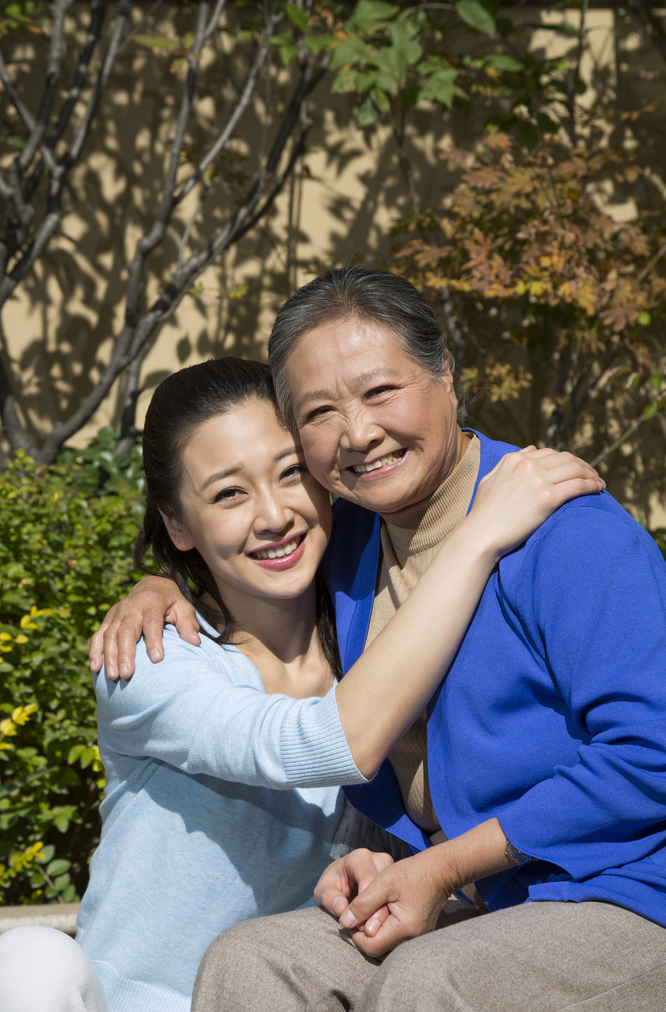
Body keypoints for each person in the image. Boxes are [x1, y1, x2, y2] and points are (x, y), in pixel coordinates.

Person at [96, 268, 666, 1012]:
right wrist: (166, 583)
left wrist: (440, 867)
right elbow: (250, 565)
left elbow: (650, 753)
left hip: (622, 893)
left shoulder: (563, 528)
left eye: (379, 392)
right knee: (254, 961)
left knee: (427, 982)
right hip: (484, 900)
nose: (358, 432)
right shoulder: (350, 538)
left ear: (445, 378)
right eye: (321, 411)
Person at [0, 354, 601, 1012]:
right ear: (177, 524)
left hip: (286, 992)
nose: (273, 514)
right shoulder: (156, 660)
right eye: (228, 493)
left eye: (289, 474)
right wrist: (477, 536)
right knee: (31, 956)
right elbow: (326, 741)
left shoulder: (380, 650)